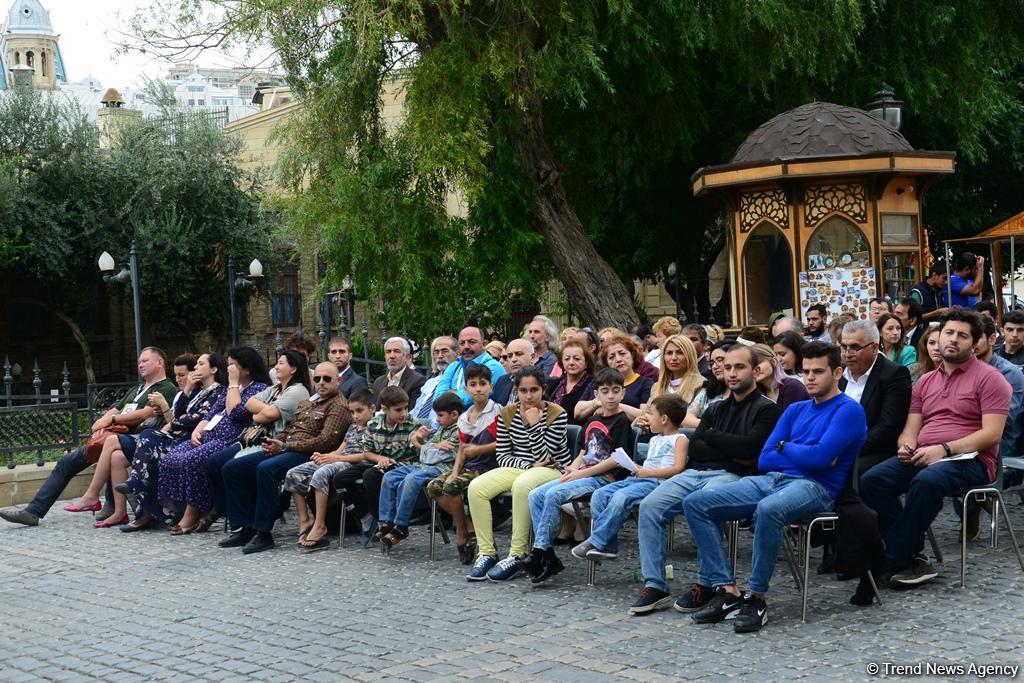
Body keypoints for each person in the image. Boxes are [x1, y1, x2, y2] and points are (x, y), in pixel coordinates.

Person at [684, 342, 867, 632]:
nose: (810, 378)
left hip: (815, 488)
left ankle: (756, 597)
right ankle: (727, 590)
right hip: (772, 479)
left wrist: (787, 447)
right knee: (695, 503)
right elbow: (766, 458)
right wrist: (804, 452)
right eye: (806, 371)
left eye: (818, 372)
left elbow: (819, 459)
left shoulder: (849, 410)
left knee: (768, 509)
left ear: (837, 373)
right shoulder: (795, 410)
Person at [860, 308, 1011, 588]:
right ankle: (911, 555)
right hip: (925, 454)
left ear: (974, 344)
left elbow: (992, 434)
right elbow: (911, 428)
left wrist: (944, 449)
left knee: (927, 481)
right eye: (948, 333)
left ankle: (891, 559)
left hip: (972, 461)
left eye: (962, 336)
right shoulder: (927, 381)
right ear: (938, 337)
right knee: (872, 481)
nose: (953, 339)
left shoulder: (991, 379)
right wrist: (906, 446)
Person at [628, 344, 781, 615]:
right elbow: (696, 447)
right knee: (650, 506)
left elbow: (749, 451)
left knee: (703, 503)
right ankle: (655, 585)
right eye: (728, 367)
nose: (731, 373)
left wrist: (711, 436)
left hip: (733, 476)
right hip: (694, 471)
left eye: (739, 367)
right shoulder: (716, 407)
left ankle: (705, 583)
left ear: (756, 371)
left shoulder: (766, 409)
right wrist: (729, 446)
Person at [0, 347, 178, 528]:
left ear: (160, 362)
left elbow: (144, 414)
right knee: (67, 462)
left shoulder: (166, 388)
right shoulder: (137, 389)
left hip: (136, 441)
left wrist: (112, 419)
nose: (140, 365)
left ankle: (101, 501)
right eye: (139, 361)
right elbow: (115, 409)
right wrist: (102, 423)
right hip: (113, 436)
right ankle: (33, 511)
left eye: (145, 361)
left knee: (112, 451)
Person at [219, 362, 349, 554]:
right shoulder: (309, 402)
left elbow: (324, 442)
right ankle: (245, 527)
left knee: (266, 469)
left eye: (327, 379)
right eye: (317, 378)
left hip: (309, 454)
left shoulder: (338, 406)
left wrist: (285, 446)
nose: (321, 382)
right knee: (232, 468)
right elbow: (291, 429)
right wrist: (276, 441)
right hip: (287, 448)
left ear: (338, 380)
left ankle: (263, 532)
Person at [65, 353, 196, 529]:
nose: (178, 379)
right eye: (177, 375)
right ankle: (120, 512)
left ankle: (92, 495)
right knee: (116, 457)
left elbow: (176, 426)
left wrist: (164, 407)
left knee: (112, 441)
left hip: (167, 441)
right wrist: (104, 420)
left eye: (182, 375)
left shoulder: (171, 390)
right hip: (151, 438)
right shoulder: (175, 394)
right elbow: (119, 409)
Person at [526, 367, 633, 583]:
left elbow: (616, 460)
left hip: (604, 478)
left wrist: (581, 475)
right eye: (605, 391)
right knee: (535, 495)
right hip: (584, 473)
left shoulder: (622, 422)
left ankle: (539, 553)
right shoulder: (592, 419)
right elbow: (584, 452)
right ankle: (548, 555)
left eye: (616, 391)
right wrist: (572, 470)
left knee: (554, 495)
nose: (610, 396)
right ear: (596, 394)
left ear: (623, 393)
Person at [465, 366, 570, 582]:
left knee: (522, 484)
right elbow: (503, 455)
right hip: (523, 467)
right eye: (523, 390)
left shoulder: (557, 413)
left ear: (543, 389)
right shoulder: (507, 413)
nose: (528, 396)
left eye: (534, 390)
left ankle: (518, 553)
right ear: (517, 391)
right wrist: (528, 465)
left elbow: (545, 456)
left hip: (553, 469)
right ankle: (487, 553)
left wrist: (534, 424)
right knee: (476, 487)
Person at [155, 347, 271, 534]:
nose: (229, 369)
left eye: (233, 365)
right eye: (228, 365)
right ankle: (185, 508)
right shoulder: (230, 389)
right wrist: (197, 431)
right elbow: (212, 412)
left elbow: (235, 412)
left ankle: (193, 512)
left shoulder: (258, 388)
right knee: (171, 458)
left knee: (193, 459)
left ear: (246, 368)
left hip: (229, 438)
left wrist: (233, 384)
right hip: (209, 434)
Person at [571, 394, 687, 565]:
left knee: (621, 497)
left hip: (657, 483)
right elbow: (649, 464)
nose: (646, 417)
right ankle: (608, 546)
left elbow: (678, 468)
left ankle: (596, 541)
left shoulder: (680, 439)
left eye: (651, 413)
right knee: (600, 495)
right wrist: (634, 467)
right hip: (640, 478)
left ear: (663, 419)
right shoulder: (654, 439)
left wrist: (647, 473)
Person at [119, 353, 226, 531]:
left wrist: (171, 425)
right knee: (145, 439)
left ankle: (143, 496)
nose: (196, 368)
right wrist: (188, 389)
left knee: (148, 447)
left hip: (194, 439)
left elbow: (197, 417)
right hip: (181, 436)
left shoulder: (219, 391)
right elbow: (180, 412)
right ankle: (140, 494)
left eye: (201, 364)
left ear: (214, 369)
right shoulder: (199, 391)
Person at [283, 389, 375, 551]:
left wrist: (336, 459)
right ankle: (305, 520)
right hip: (340, 458)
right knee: (293, 473)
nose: (355, 416)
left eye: (359, 411)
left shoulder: (375, 428)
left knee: (321, 473)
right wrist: (324, 456)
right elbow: (340, 450)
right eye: (352, 412)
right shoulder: (353, 427)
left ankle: (320, 524)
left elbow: (366, 455)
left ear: (372, 408)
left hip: (354, 463)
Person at [427, 364, 501, 563]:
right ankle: (469, 527)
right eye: (473, 384)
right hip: (469, 467)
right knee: (434, 486)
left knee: (451, 487)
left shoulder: (498, 412)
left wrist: (479, 449)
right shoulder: (464, 417)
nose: (478, 389)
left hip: (488, 467)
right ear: (466, 389)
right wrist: (454, 471)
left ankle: (461, 532)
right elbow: (461, 449)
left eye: (483, 384)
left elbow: (505, 442)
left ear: (491, 386)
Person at [373, 391, 463, 547]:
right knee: (390, 476)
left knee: (411, 479)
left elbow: (434, 457)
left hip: (441, 469)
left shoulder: (459, 432)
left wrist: (419, 444)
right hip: (423, 466)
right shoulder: (443, 429)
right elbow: (429, 452)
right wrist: (429, 443)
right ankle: (387, 521)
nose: (437, 419)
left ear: (454, 414)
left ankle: (401, 525)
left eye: (440, 415)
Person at [332, 385, 420, 540]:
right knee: (340, 478)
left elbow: (418, 453)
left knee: (370, 475)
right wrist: (380, 459)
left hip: (402, 466)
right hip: (376, 463)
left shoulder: (413, 423)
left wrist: (420, 441)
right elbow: (367, 453)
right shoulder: (373, 425)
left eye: (406, 408)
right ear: (385, 409)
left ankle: (384, 522)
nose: (404, 413)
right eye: (398, 410)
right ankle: (365, 515)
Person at [964, 315, 1024, 539]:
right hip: (965, 436)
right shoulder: (960, 368)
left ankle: (977, 501)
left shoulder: (1009, 374)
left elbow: (1006, 421)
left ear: (991, 339)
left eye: (975, 338)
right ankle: (976, 502)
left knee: (959, 464)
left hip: (1002, 440)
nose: (969, 343)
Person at [575, 333, 653, 422]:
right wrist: (597, 403)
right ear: (607, 363)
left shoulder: (645, 383)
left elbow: (644, 417)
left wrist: (610, 405)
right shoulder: (598, 381)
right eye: (612, 357)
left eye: (622, 353)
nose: (618, 359)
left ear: (632, 354)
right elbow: (577, 412)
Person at [641, 334, 706, 430]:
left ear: (689, 355)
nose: (674, 358)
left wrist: (654, 421)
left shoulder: (701, 384)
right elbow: (646, 415)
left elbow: (686, 421)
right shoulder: (656, 387)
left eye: (680, 352)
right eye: (669, 353)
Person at [433, 326, 507, 408]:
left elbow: (468, 400)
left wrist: (449, 393)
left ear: (484, 344)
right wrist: (459, 393)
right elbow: (437, 400)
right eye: (462, 343)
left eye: (472, 342)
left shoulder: (494, 367)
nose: (466, 347)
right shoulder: (454, 366)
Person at [410, 335, 458, 423]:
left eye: (444, 351)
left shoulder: (459, 381)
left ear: (457, 354)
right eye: (436, 352)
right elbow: (416, 410)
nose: (440, 356)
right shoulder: (430, 383)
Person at [547, 338, 596, 424]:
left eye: (576, 359)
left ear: (586, 363)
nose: (571, 362)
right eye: (567, 359)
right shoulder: (554, 384)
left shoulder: (593, 385)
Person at [751, 343, 809, 410]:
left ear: (773, 361)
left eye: (758, 363)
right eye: (751, 366)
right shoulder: (756, 392)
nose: (755, 369)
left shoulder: (792, 386)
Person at [371, 337, 426, 408]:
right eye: (388, 352)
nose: (392, 356)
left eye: (397, 351)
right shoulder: (378, 382)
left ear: (407, 357)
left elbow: (413, 413)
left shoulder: (417, 381)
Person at [492, 338, 534, 405]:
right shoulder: (501, 381)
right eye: (510, 356)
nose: (513, 359)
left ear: (532, 357)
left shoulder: (545, 382)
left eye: (519, 354)